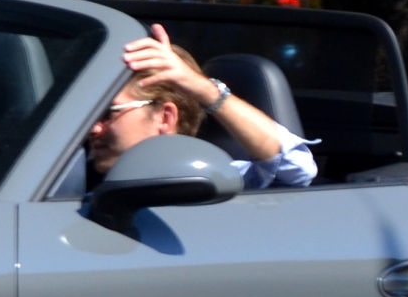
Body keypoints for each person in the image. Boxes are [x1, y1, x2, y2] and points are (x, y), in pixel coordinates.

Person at [85, 23, 317, 189]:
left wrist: (205, 90)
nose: (93, 128)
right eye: (92, 113)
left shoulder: (212, 182)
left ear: (165, 118)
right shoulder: (67, 174)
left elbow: (296, 170)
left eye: (109, 113)